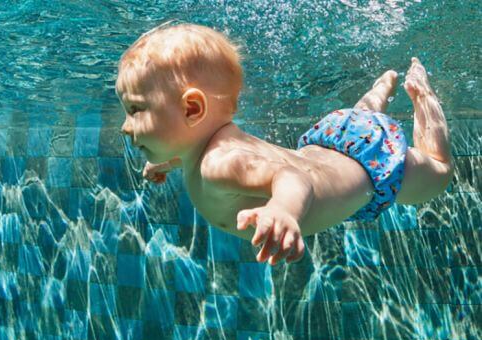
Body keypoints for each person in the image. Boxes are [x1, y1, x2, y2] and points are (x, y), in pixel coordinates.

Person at [116, 23, 453, 265]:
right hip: (336, 141)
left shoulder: (219, 163)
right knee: (362, 118)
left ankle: (421, 95)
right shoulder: (201, 150)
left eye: (134, 111)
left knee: (438, 174)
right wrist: (167, 160)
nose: (124, 127)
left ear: (192, 108)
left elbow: (293, 179)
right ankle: (380, 90)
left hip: (372, 166)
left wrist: (283, 210)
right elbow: (193, 151)